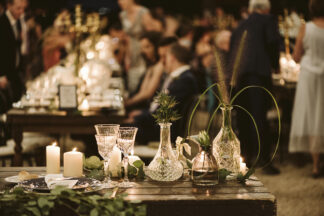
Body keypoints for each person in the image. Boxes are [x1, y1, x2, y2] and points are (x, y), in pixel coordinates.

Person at [230, 0, 280, 174]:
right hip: (258, 74)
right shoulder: (268, 20)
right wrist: (276, 66)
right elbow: (273, 43)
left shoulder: (240, 25)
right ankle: (264, 160)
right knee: (259, 117)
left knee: (243, 117)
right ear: (265, 9)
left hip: (239, 75)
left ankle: (245, 157)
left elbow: (232, 49)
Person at [125, 43, 198, 143]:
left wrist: (138, 118)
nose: (163, 61)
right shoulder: (180, 77)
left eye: (165, 57)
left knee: (118, 130)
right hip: (156, 125)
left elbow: (164, 112)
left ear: (172, 58)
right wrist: (142, 114)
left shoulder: (185, 79)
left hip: (163, 132)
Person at [289, 0, 324, 178]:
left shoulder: (306, 27)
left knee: (311, 116)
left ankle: (316, 165)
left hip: (309, 75)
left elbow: (296, 56)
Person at [118, 0, 161, 95]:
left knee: (141, 77)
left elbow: (153, 32)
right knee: (131, 81)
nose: (120, 2)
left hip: (143, 48)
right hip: (131, 51)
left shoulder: (143, 12)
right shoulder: (122, 15)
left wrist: (146, 47)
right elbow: (127, 38)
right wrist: (127, 57)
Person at [124, 31, 162, 109]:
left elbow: (148, 93)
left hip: (149, 110)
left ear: (156, 47)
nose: (143, 51)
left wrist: (127, 103)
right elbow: (143, 91)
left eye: (147, 47)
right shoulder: (151, 65)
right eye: (142, 48)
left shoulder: (159, 66)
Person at [0, 0, 28, 107]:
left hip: (15, 73)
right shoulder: (2, 23)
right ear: (9, 6)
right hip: (4, 75)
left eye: (23, 8)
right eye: (18, 8)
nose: (21, 12)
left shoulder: (19, 22)